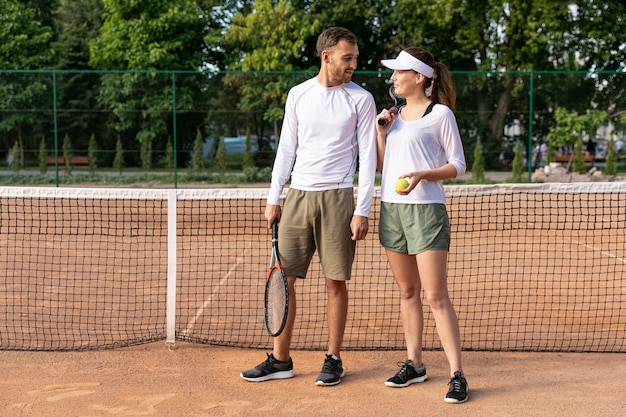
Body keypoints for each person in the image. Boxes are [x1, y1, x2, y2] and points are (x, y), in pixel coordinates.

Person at [240, 27, 377, 386]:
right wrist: (274, 198)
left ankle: (333, 359)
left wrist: (362, 209)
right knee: (284, 280)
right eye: (348, 58)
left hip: (338, 199)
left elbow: (368, 159)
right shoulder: (299, 94)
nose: (353, 65)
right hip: (298, 197)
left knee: (335, 282)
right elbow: (286, 149)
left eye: (356, 58)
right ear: (326, 56)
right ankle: (280, 359)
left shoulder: (361, 99)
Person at [375, 47, 469, 403]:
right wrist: (382, 133)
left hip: (426, 210)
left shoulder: (440, 114)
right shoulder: (393, 116)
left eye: (399, 72)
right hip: (392, 210)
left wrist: (423, 175)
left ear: (420, 77)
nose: (394, 78)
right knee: (408, 292)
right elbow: (385, 168)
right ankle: (414, 364)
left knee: (435, 296)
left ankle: (457, 374)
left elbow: (458, 165)